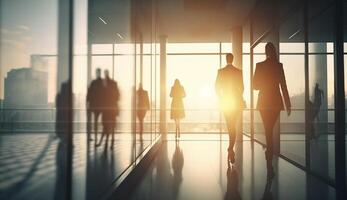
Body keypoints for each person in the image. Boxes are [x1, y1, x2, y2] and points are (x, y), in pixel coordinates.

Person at [253, 42, 291, 180]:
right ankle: (269, 160)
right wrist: (288, 104)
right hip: (275, 102)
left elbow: (254, 86)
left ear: (265, 52)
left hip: (264, 102)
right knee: (270, 131)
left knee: (268, 130)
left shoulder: (259, 65)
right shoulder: (279, 66)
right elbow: (283, 85)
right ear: (273, 51)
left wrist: (263, 83)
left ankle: (269, 160)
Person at [215, 53, 244, 164]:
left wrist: (221, 97)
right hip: (235, 102)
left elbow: (216, 86)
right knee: (233, 125)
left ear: (226, 59)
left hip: (225, 101)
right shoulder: (238, 72)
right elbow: (242, 87)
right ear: (233, 59)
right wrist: (237, 95)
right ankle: (231, 147)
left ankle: (230, 147)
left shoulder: (221, 71)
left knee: (229, 125)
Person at [97, 70, 120, 149]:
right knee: (109, 126)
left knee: (106, 126)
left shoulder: (107, 84)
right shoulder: (113, 84)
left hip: (108, 109)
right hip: (111, 109)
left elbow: (102, 97)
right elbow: (117, 96)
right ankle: (108, 143)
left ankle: (105, 142)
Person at [86, 68, 103, 144]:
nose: (97, 74)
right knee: (96, 121)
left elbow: (89, 93)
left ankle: (94, 136)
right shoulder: (101, 82)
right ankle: (95, 136)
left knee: (95, 121)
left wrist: (88, 102)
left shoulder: (94, 82)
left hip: (95, 105)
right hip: (98, 105)